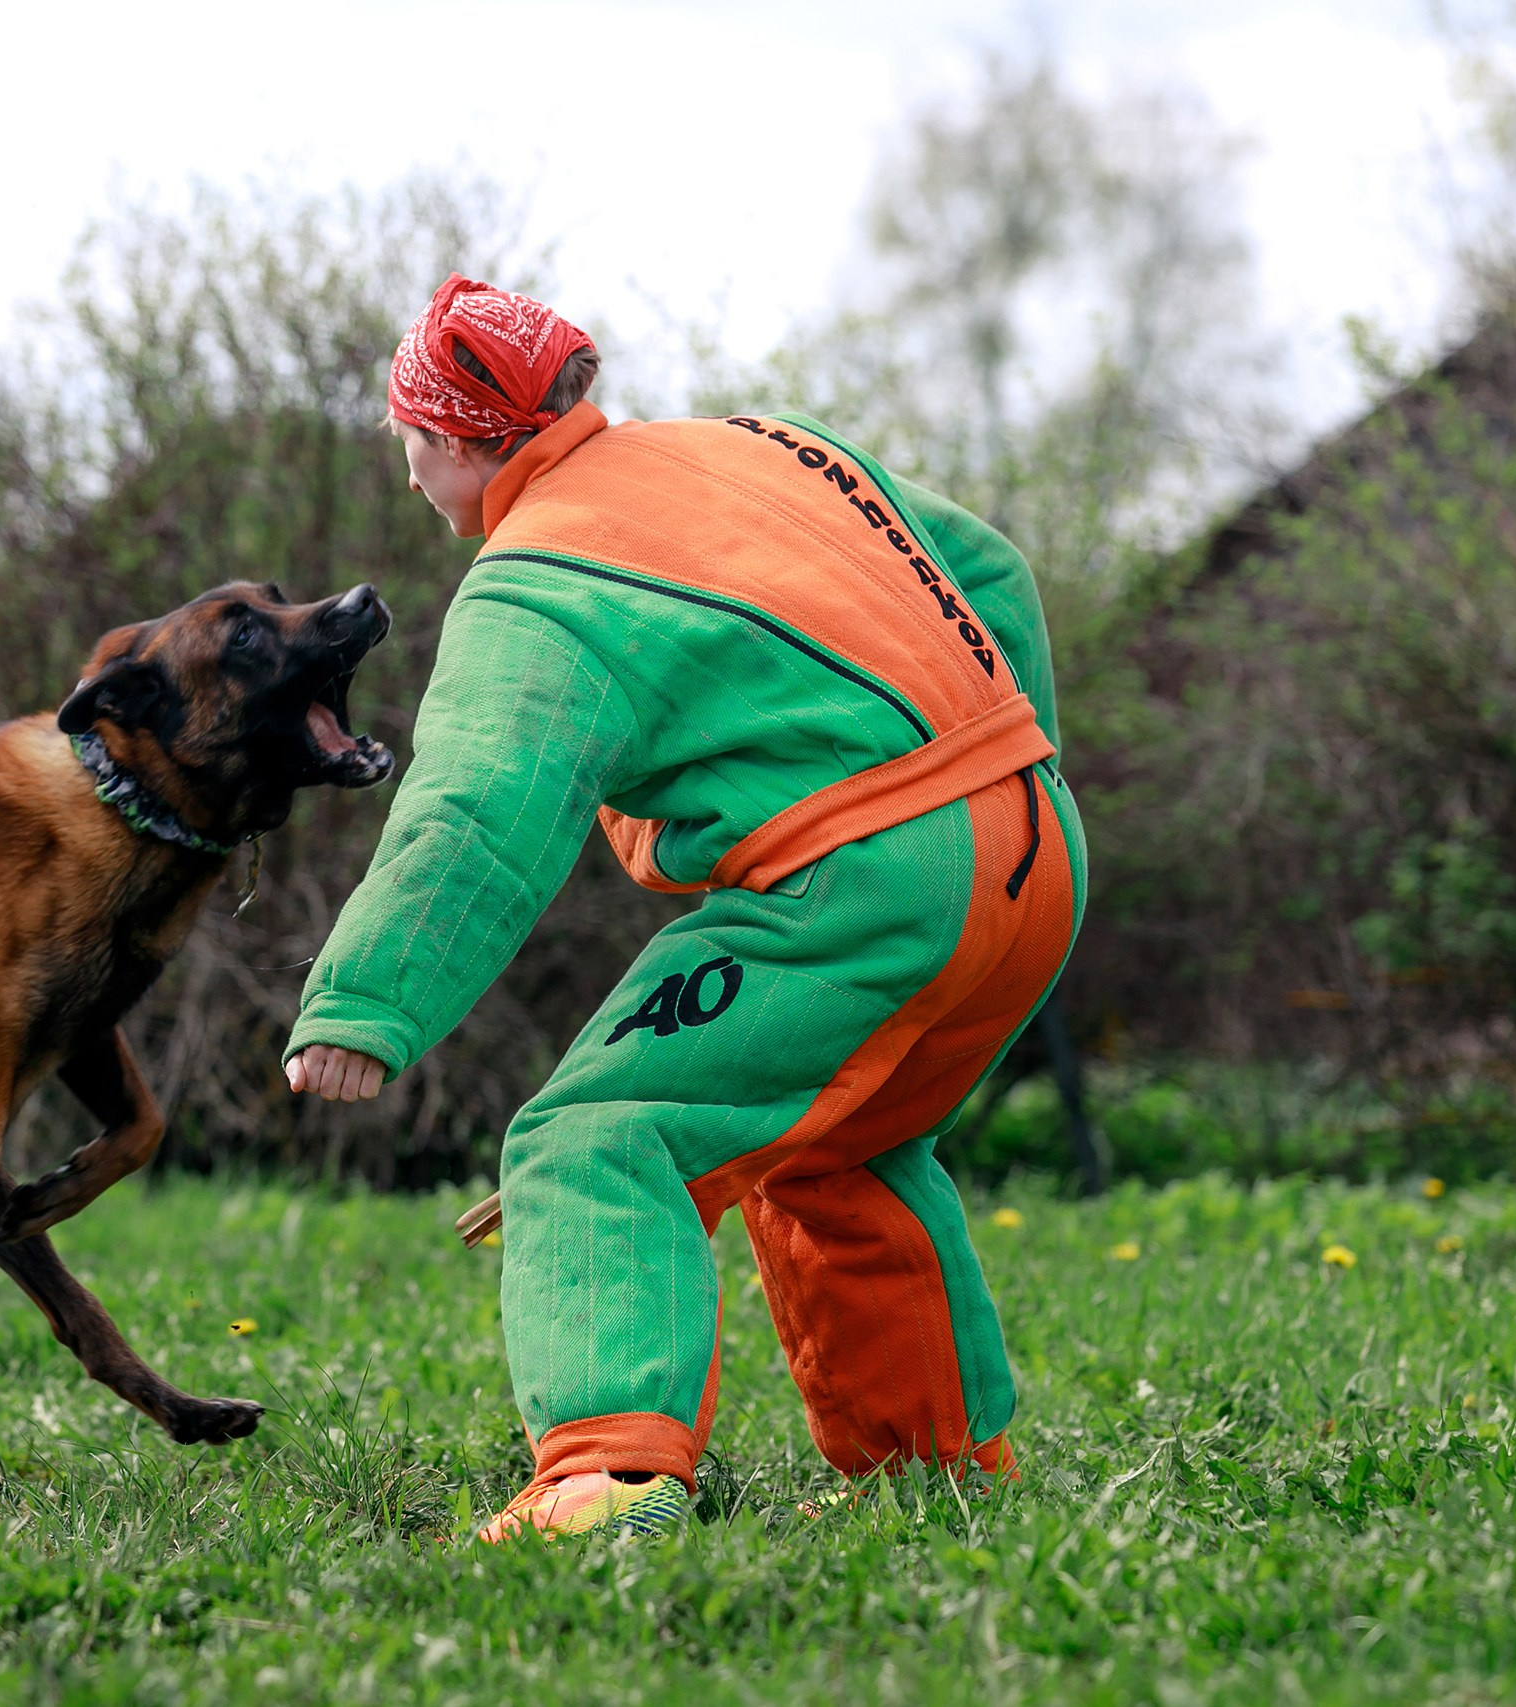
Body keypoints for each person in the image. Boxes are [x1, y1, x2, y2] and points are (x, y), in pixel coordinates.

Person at [283, 276, 1085, 1541]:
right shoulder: (757, 448)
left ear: (444, 439)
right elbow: (990, 567)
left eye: (407, 446)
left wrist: (366, 1003)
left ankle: (613, 1480)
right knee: (837, 1144)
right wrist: (1006, 751)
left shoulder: (536, 578)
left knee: (596, 1135)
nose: (407, 474)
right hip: (1035, 853)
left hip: (865, 878)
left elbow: (477, 811)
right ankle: (935, 1463)